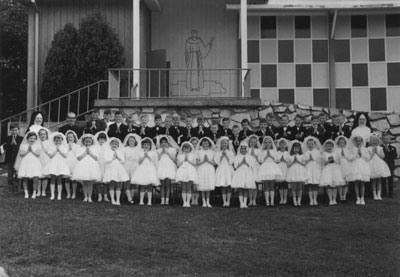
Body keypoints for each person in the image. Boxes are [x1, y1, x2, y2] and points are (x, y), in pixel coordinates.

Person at [72, 134, 102, 203]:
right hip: (83, 166)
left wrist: (90, 152)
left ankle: (90, 197)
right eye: (86, 142)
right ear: (83, 142)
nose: (88, 143)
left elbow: (96, 158)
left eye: (89, 142)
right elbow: (79, 158)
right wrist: (86, 152)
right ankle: (85, 197)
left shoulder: (94, 148)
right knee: (85, 183)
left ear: (92, 142)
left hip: (92, 166)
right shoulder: (81, 148)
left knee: (90, 183)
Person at [131, 138, 160, 205]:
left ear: (150, 146)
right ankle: (141, 200)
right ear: (142, 146)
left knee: (149, 185)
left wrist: (148, 156)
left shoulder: (153, 153)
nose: (146, 146)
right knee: (142, 185)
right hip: (142, 169)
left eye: (148, 145)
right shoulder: (140, 153)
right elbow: (139, 162)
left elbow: (154, 162)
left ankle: (149, 201)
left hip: (150, 169)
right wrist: (144, 156)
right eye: (145, 145)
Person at [42, 132, 70, 200]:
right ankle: (52, 194)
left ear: (62, 140)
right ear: (54, 140)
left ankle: (59, 194)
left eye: (60, 140)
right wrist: (56, 149)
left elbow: (65, 156)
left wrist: (59, 150)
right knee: (53, 178)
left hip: (61, 163)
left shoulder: (64, 147)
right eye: (57, 140)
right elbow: (51, 156)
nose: (58, 141)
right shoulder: (51, 147)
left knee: (59, 179)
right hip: (53, 163)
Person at [103, 137, 129, 206]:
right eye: (113, 144)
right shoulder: (107, 151)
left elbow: (123, 161)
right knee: (111, 184)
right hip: (111, 168)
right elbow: (106, 160)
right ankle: (112, 199)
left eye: (116, 144)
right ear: (110, 144)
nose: (114, 145)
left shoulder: (119, 152)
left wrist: (118, 157)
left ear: (118, 145)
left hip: (118, 169)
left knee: (118, 185)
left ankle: (118, 199)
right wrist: (112, 158)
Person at [258, 136, 282, 207]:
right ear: (264, 143)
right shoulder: (262, 151)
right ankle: (267, 201)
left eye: (269, 142)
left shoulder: (274, 151)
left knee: (271, 185)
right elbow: (260, 160)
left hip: (272, 167)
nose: (267, 144)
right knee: (266, 185)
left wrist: (270, 156)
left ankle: (272, 201)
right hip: (265, 167)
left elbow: (277, 159)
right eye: (266, 142)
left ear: (271, 143)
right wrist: (266, 156)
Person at [17, 132, 43, 199]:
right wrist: (28, 151)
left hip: (34, 162)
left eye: (34, 138)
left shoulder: (38, 145)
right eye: (31, 138)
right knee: (25, 178)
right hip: (26, 162)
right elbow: (21, 155)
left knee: (35, 178)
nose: (32, 140)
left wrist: (32, 151)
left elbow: (38, 155)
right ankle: (26, 193)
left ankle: (34, 193)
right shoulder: (23, 145)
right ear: (27, 138)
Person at [319, 140, 345, 205]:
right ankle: (330, 199)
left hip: (335, 169)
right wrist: (329, 161)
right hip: (327, 169)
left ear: (333, 147)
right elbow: (323, 163)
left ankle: (334, 199)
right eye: (327, 146)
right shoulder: (324, 154)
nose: (329, 148)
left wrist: (333, 160)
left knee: (334, 185)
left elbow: (338, 162)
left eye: (330, 146)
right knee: (329, 185)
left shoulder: (335, 153)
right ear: (325, 147)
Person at [232, 142, 257, 209]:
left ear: (247, 149)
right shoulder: (237, 157)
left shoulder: (250, 157)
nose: (243, 150)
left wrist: (245, 162)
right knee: (240, 188)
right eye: (242, 149)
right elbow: (235, 166)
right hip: (239, 173)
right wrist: (242, 162)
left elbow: (251, 166)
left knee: (246, 188)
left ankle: (245, 203)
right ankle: (241, 203)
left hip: (247, 173)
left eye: (244, 149)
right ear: (240, 149)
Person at [347, 136, 371, 205]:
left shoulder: (364, 149)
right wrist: (356, 154)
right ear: (354, 142)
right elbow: (350, 158)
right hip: (355, 165)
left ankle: (362, 198)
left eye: (359, 141)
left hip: (362, 165)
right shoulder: (352, 149)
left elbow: (368, 158)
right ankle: (357, 198)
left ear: (361, 142)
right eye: (357, 141)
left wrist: (361, 153)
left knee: (362, 182)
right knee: (356, 182)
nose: (358, 142)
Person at [367, 134, 391, 201]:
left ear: (378, 141)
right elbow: (368, 158)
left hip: (379, 164)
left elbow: (383, 157)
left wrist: (377, 152)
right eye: (373, 141)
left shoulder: (380, 148)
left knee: (379, 181)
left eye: (376, 141)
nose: (374, 142)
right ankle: (374, 194)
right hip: (371, 164)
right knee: (373, 181)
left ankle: (379, 194)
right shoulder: (368, 148)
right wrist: (373, 152)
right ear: (370, 141)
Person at [156, 136, 178, 205]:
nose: (164, 144)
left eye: (165, 142)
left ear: (168, 143)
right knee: (162, 185)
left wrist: (167, 152)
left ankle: (167, 200)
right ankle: (162, 200)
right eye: (162, 142)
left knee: (168, 185)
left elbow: (174, 159)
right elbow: (157, 159)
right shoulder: (158, 150)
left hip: (169, 167)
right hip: (161, 167)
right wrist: (162, 152)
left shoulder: (172, 150)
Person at [1, 123, 23, 190]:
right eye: (12, 130)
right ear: (10, 130)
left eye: (16, 130)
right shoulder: (7, 138)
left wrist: (16, 144)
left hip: (17, 157)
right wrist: (10, 143)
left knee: (16, 171)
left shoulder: (21, 138)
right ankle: (9, 184)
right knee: (10, 171)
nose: (14, 131)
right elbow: (5, 147)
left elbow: (21, 148)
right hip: (10, 157)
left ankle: (16, 186)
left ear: (18, 130)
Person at [214, 137, 235, 207]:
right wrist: (221, 156)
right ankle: (224, 201)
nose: (224, 144)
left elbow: (231, 161)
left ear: (228, 144)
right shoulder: (218, 152)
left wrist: (226, 156)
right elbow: (217, 162)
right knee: (223, 186)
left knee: (228, 186)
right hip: (221, 169)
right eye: (222, 143)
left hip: (228, 169)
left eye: (225, 143)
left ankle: (228, 201)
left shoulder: (230, 152)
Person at [176, 142, 198, 207]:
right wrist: (184, 160)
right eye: (184, 148)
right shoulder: (180, 156)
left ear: (190, 149)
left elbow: (194, 164)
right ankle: (184, 202)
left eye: (187, 148)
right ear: (182, 149)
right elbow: (178, 165)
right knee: (184, 187)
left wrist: (188, 160)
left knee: (188, 187)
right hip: (182, 171)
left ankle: (188, 202)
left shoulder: (193, 155)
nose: (186, 150)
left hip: (190, 171)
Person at [196, 137, 216, 208]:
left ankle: (208, 201)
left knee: (208, 185)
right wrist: (203, 161)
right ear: (201, 144)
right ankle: (204, 201)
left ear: (209, 144)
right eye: (203, 143)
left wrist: (208, 161)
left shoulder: (212, 152)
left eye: (206, 143)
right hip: (201, 168)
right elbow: (197, 163)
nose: (205, 145)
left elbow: (215, 163)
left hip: (209, 169)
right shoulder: (198, 152)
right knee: (203, 184)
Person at [286, 140, 307, 207]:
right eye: (295, 148)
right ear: (293, 148)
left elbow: (304, 164)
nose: (296, 150)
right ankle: (294, 201)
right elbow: (288, 165)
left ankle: (299, 201)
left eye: (298, 148)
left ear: (300, 149)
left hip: (300, 171)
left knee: (300, 187)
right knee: (294, 188)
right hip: (293, 172)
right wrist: (293, 161)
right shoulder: (290, 156)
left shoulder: (302, 155)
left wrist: (298, 161)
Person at [123, 134, 142, 204]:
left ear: (135, 141)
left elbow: (139, 158)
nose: (131, 142)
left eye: (133, 141)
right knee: (127, 182)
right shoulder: (125, 149)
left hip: (135, 166)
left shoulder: (138, 149)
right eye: (130, 140)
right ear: (128, 141)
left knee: (133, 182)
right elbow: (123, 158)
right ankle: (129, 198)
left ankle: (131, 197)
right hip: (127, 165)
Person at [303, 136, 322, 206]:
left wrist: (313, 159)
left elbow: (320, 161)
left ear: (314, 144)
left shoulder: (317, 152)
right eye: (309, 144)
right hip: (308, 168)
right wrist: (308, 160)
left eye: (312, 144)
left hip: (315, 168)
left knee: (315, 184)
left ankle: (315, 199)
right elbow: (304, 161)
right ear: (307, 144)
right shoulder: (305, 152)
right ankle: (311, 199)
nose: (310, 145)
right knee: (310, 184)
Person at [335, 136, 354, 201]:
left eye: (343, 142)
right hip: (339, 166)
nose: (341, 144)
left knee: (346, 182)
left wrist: (344, 155)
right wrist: (340, 156)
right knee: (340, 182)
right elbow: (336, 160)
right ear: (338, 143)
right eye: (340, 143)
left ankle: (345, 195)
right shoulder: (336, 150)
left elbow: (350, 159)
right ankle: (341, 196)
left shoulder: (347, 150)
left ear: (345, 143)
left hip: (346, 166)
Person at [94, 132, 110, 202]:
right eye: (100, 139)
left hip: (105, 164)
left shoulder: (107, 147)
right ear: (98, 140)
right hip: (98, 164)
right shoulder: (95, 147)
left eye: (103, 139)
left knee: (105, 181)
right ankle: (99, 195)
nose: (102, 141)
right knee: (99, 181)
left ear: (106, 140)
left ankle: (106, 196)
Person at [381, 132, 397, 197]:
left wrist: (389, 151)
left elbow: (395, 156)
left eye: (387, 139)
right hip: (383, 165)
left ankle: (390, 193)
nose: (385, 140)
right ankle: (384, 193)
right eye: (384, 139)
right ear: (382, 140)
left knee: (390, 179)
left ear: (389, 140)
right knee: (383, 180)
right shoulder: (380, 147)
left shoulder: (393, 148)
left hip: (390, 165)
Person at [247, 134, 261, 206]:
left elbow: (260, 160)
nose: (253, 143)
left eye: (254, 142)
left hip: (256, 166)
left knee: (255, 184)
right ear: (249, 142)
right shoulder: (247, 150)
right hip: (249, 167)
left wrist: (254, 155)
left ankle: (254, 200)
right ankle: (250, 200)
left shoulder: (258, 150)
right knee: (250, 184)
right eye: (251, 142)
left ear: (256, 143)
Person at [65, 130, 80, 199]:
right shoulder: (65, 145)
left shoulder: (77, 146)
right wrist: (68, 148)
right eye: (69, 138)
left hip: (74, 162)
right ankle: (68, 193)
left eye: (71, 137)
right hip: (67, 162)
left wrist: (72, 148)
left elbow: (77, 155)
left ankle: (74, 193)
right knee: (67, 178)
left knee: (73, 179)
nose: (70, 139)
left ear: (74, 138)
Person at [37, 128, 51, 197]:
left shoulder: (49, 143)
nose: (43, 136)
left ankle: (43, 191)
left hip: (46, 159)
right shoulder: (37, 142)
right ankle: (38, 190)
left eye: (44, 134)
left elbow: (50, 152)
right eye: (41, 134)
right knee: (39, 176)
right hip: (38, 159)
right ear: (39, 135)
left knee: (45, 176)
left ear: (46, 135)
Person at [275, 138, 290, 205]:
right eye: (281, 144)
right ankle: (281, 198)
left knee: (285, 183)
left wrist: (285, 160)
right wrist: (279, 160)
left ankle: (285, 198)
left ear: (286, 145)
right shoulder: (277, 153)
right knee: (280, 184)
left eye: (283, 144)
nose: (282, 146)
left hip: (286, 167)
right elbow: (275, 159)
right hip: (279, 167)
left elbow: (289, 160)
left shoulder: (288, 153)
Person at [188, 137, 200, 205]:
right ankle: (192, 199)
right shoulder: (189, 152)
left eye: (196, 143)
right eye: (193, 144)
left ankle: (196, 199)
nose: (194, 145)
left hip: (198, 168)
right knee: (192, 184)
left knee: (196, 184)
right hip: (191, 168)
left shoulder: (199, 151)